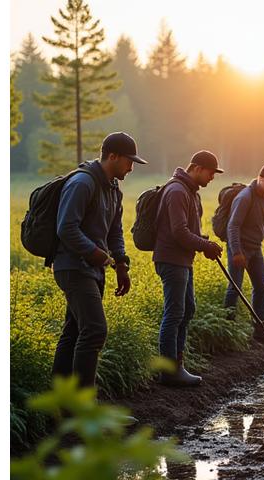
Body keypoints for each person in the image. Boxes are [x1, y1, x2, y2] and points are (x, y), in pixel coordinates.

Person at [52, 132, 146, 389]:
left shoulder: (113, 189)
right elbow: (66, 228)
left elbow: (114, 231)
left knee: (73, 333)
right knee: (94, 330)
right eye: (129, 161)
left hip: (92, 269)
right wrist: (94, 252)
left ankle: (63, 405)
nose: (131, 167)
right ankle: (84, 411)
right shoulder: (82, 183)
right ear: (112, 156)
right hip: (72, 268)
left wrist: (121, 264)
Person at [153, 150, 224, 386]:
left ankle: (178, 366)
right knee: (174, 314)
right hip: (171, 260)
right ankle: (169, 371)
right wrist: (205, 244)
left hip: (183, 259)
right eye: (211, 173)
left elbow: (188, 230)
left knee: (187, 309)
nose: (212, 178)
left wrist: (204, 243)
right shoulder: (176, 191)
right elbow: (178, 231)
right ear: (197, 168)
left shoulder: (190, 192)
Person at [223, 164, 264, 343]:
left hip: (255, 248)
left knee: (261, 287)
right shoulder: (244, 198)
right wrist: (236, 252)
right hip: (239, 248)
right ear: (260, 179)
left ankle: (260, 328)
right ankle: (227, 329)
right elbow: (232, 226)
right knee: (235, 288)